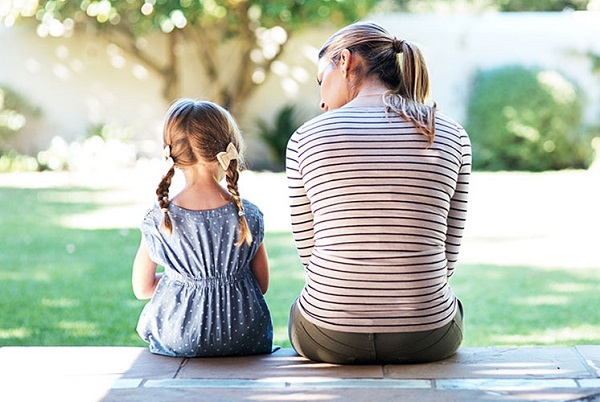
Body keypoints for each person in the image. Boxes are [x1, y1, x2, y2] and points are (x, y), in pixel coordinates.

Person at [286, 21, 472, 365]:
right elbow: (447, 255)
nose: (321, 99)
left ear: (344, 61)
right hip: (427, 336)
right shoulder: (450, 134)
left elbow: (310, 255)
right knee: (451, 305)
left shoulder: (306, 138)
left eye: (320, 80)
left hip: (328, 336)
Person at [132, 98, 273, 357]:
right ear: (228, 149)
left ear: (172, 154)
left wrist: (183, 280)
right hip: (244, 336)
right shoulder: (248, 214)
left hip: (180, 337)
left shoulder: (159, 218)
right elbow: (261, 284)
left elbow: (142, 288)